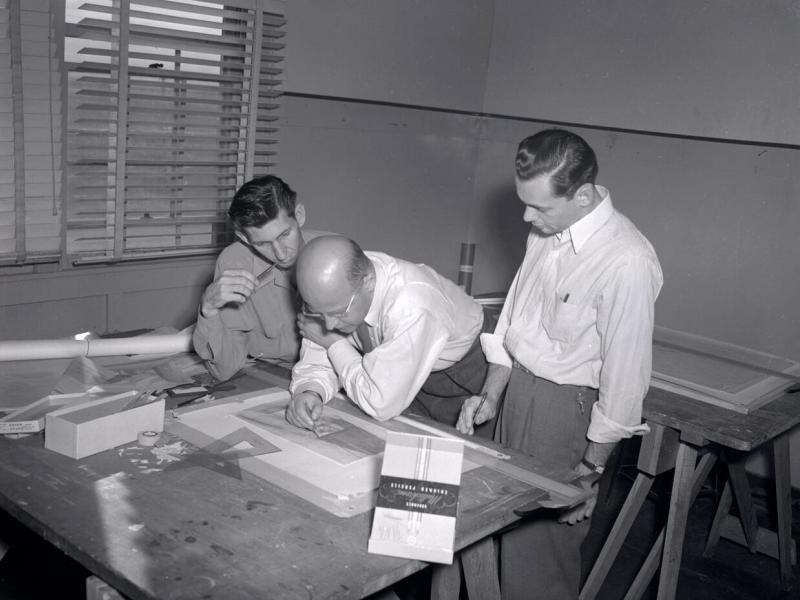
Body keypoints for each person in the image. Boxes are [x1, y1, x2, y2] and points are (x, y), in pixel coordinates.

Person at [455, 129, 663, 600]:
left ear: (583, 195)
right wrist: (490, 393)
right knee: (491, 536)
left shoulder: (626, 260)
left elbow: (625, 381)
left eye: (540, 207)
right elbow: (514, 323)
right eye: (524, 203)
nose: (527, 216)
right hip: (515, 394)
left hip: (565, 414)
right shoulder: (547, 231)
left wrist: (588, 472)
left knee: (537, 565)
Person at [284, 235, 494, 436]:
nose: (328, 324)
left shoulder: (412, 306)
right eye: (316, 312)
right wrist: (310, 391)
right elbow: (318, 351)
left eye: (338, 313)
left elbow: (380, 402)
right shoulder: (334, 290)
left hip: (468, 375)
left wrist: (334, 344)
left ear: (367, 282)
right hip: (401, 372)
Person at [193, 175, 323, 381]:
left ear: (299, 215)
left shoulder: (338, 254)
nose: (280, 254)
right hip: (275, 378)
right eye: (263, 244)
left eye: (284, 234)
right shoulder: (235, 263)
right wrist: (208, 308)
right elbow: (225, 369)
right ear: (244, 238)